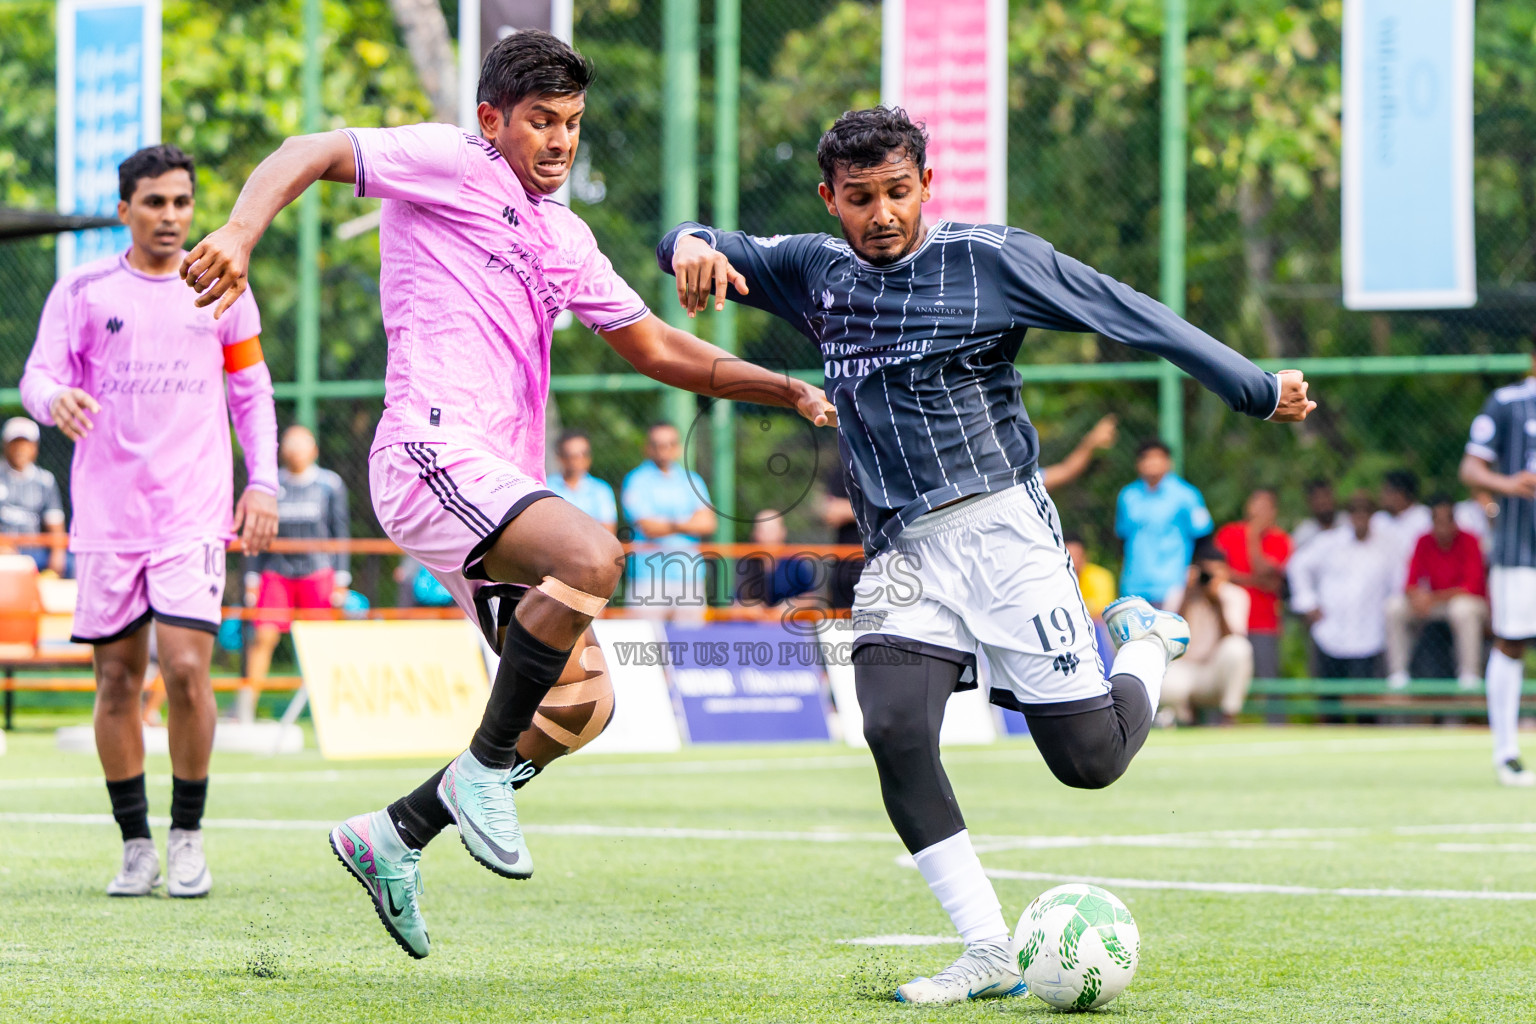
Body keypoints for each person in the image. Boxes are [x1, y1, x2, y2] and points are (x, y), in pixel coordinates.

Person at [182, 31, 834, 958]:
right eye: (541, 121)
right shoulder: (453, 161)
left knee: (581, 708)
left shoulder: (562, 234)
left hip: (496, 486)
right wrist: (242, 233)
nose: (560, 141)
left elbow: (654, 347)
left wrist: (787, 386)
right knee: (593, 554)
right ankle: (483, 772)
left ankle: (397, 832)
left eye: (572, 123)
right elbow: (312, 150)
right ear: (493, 121)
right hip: (429, 450)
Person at [657, 106, 1313, 1003]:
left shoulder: (989, 259)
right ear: (830, 198)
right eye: (860, 198)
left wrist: (1254, 385)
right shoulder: (815, 271)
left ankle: (1149, 641)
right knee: (891, 729)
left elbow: (1126, 312)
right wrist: (689, 243)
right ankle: (988, 949)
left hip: (1003, 532)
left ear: (928, 183)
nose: (881, 213)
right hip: (899, 551)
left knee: (1089, 762)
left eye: (897, 192)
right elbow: (688, 241)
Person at [20, 144, 280, 899]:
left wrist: (261, 482)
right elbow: (39, 374)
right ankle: (135, 845)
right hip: (107, 516)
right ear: (126, 207)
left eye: (182, 202)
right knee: (115, 681)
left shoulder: (224, 286)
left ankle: (188, 837)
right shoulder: (84, 290)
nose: (171, 217)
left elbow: (252, 394)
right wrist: (49, 402)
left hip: (193, 511)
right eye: (156, 203)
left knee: (189, 670)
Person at [1461, 351, 1536, 786]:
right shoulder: (1508, 403)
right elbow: (1470, 468)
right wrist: (1507, 486)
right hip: (1520, 549)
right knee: (1512, 642)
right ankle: (1506, 753)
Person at [241, 425, 350, 721]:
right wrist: (252, 580)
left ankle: (329, 711)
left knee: (322, 641)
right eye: (290, 443)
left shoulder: (330, 484)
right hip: (277, 571)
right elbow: (257, 535)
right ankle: (246, 706)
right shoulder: (270, 485)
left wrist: (341, 580)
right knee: (263, 636)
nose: (295, 449)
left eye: (302, 444)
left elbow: (340, 533)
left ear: (314, 450)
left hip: (318, 572)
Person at [1287, 492, 1396, 680]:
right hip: (1330, 631)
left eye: (1365, 512)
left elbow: (1397, 583)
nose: (1360, 517)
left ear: (1372, 515)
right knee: (1328, 699)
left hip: (1370, 635)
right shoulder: (1330, 542)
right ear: (1349, 516)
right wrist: (1308, 602)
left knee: (1365, 699)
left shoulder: (1387, 547)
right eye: (1355, 512)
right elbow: (1297, 566)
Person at [1384, 495, 1487, 692]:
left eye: (1446, 521)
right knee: (1394, 607)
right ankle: (1398, 674)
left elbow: (1471, 587)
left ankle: (1469, 675)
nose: (1442, 528)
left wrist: (1430, 598)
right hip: (1434, 604)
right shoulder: (1424, 541)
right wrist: (1417, 597)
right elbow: (1410, 583)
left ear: (1454, 522)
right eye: (1437, 522)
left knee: (1462, 609)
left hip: (1466, 605)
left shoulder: (1470, 540)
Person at [622, 422, 717, 619]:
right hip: (648, 578)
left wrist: (667, 524)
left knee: (690, 646)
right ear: (647, 448)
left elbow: (708, 523)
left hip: (688, 577)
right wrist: (686, 523)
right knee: (643, 647)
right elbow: (649, 528)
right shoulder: (636, 480)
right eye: (658, 444)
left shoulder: (691, 479)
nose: (664, 450)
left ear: (678, 447)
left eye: (670, 444)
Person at [1159, 542, 1253, 726]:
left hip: (1215, 672)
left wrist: (1216, 602)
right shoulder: (1179, 594)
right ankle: (1183, 719)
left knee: (1239, 648)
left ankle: (1229, 717)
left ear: (1226, 572)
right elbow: (1169, 638)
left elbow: (1233, 637)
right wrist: (1188, 594)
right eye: (1205, 573)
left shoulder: (1235, 595)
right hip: (1186, 668)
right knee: (1167, 682)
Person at [1116, 439, 1214, 606]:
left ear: (1169, 462)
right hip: (1134, 585)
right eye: (1146, 458)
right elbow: (1122, 537)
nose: (1152, 463)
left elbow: (1203, 536)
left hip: (1173, 584)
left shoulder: (1187, 495)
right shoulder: (1128, 496)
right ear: (1138, 464)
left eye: (1157, 457)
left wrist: (1195, 570)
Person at [1213, 488, 1291, 679]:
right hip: (1228, 622)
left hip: (1264, 624)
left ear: (1274, 512)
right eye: (1257, 505)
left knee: (1269, 680)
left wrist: (1253, 536)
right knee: (1223, 678)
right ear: (1248, 507)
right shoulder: (1229, 533)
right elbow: (1216, 571)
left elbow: (1264, 570)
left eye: (1266, 507)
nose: (1260, 511)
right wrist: (1257, 582)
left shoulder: (1280, 539)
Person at [0, 417, 67, 574]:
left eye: (25, 443)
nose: (20, 449)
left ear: (35, 446)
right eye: (15, 443)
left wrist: (57, 558)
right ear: (5, 445)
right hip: (2, 549)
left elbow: (55, 524)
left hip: (35, 552)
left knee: (72, 565)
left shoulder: (45, 481)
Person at [736, 509, 817, 610]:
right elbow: (734, 602)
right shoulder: (746, 564)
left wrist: (791, 606)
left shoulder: (796, 563)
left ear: (782, 532)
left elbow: (811, 598)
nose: (766, 535)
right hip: (755, 624)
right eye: (762, 530)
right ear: (755, 533)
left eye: (771, 530)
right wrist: (747, 608)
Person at [546, 429, 616, 533]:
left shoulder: (602, 489)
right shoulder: (546, 488)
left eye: (584, 454)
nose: (579, 460)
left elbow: (608, 532)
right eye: (572, 456)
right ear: (560, 458)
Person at [1372, 469, 1432, 589]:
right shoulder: (1378, 520)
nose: (1381, 495)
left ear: (1401, 494)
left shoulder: (1424, 518)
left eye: (1386, 491)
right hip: (1382, 587)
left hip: (1419, 589)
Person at [820, 461, 862, 610]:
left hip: (878, 566)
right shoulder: (844, 468)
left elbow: (896, 511)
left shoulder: (886, 465)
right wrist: (872, 510)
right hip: (844, 567)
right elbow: (831, 512)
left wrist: (850, 510)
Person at [1039, 414, 1118, 491]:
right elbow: (1065, 472)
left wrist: (1091, 442)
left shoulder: (1030, 477)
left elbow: (1066, 471)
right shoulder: (1027, 478)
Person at [1290, 477, 1339, 553]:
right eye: (1318, 498)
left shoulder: (1347, 523)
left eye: (1326, 496)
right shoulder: (1303, 533)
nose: (1323, 502)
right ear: (1310, 502)